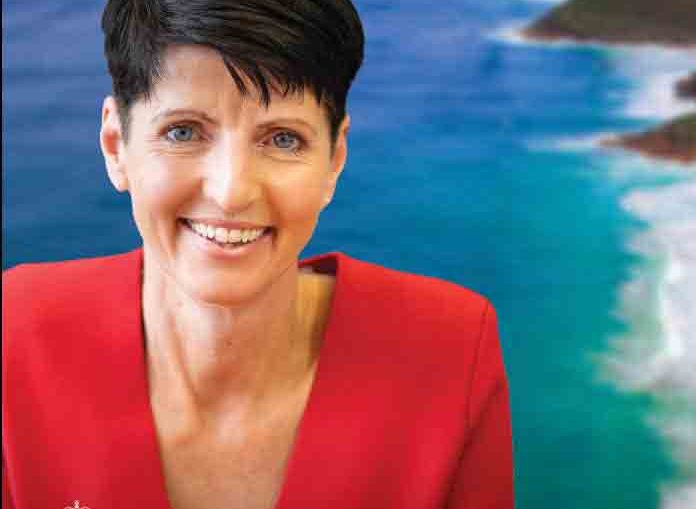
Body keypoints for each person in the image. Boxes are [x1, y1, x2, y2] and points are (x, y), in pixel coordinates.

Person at [1, 1, 514, 508]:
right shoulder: (14, 335)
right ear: (116, 145)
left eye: (283, 139)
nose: (231, 192)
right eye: (183, 132)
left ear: (334, 159)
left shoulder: (450, 351)